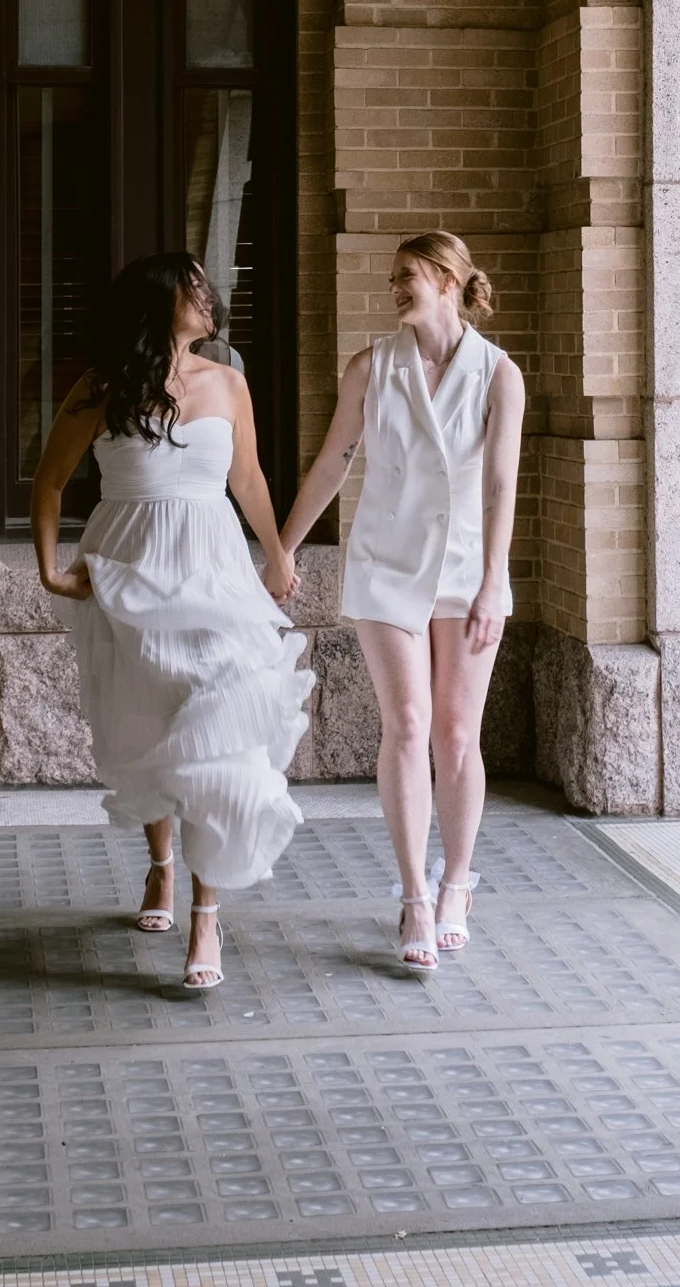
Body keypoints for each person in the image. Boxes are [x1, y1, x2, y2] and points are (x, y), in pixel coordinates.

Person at [32, 252, 311, 991]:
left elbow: (246, 478)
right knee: (149, 725)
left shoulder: (228, 381)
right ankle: (161, 869)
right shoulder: (101, 387)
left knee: (216, 734)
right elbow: (49, 480)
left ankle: (206, 914)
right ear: (159, 303)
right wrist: (48, 567)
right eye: (193, 288)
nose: (209, 297)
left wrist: (277, 556)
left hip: (212, 567)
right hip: (127, 565)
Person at [279, 232, 524, 973]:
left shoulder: (497, 374)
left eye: (408, 277)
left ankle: (457, 884)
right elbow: (334, 459)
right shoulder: (371, 367)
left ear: (448, 281)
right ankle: (413, 895)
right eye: (392, 279)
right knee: (408, 724)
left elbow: (500, 484)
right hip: (384, 566)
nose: (395, 289)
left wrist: (492, 580)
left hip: (464, 571)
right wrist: (283, 547)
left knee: (455, 735)